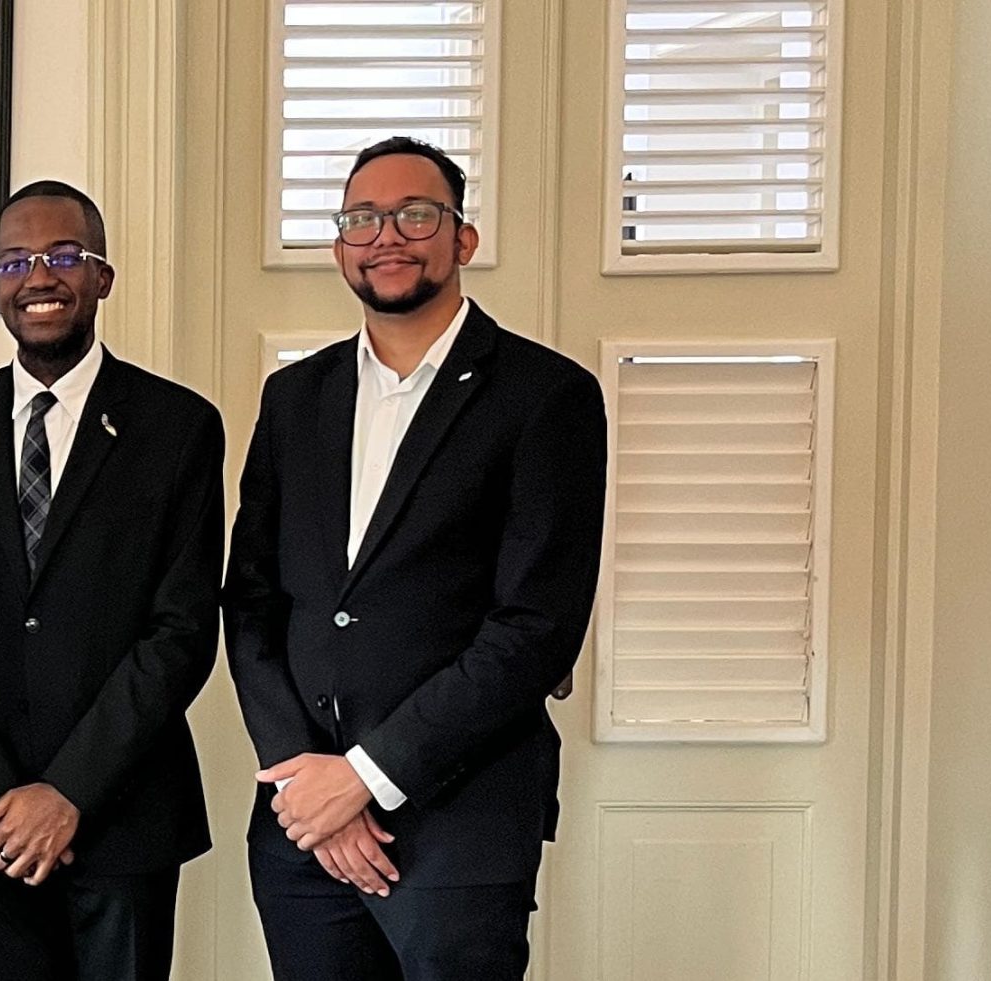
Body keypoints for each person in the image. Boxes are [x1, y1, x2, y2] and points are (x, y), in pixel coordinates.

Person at [223, 136, 608, 980]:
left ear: (462, 237)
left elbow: (535, 627)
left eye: (415, 214)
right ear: (340, 248)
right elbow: (250, 601)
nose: (386, 236)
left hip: (460, 822)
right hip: (302, 830)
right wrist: (305, 785)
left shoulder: (548, 396)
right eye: (362, 219)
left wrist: (364, 777)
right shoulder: (295, 398)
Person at [0, 180, 226, 981]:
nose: (38, 277)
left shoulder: (178, 426)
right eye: (14, 260)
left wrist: (69, 790)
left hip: (124, 815)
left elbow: (181, 632)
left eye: (63, 255)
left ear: (102, 276)